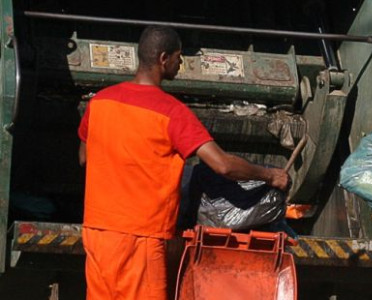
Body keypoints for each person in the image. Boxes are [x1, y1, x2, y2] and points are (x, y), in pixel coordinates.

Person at [77, 25, 289, 300]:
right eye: (179, 57)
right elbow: (223, 165)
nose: (181, 63)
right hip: (140, 237)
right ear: (164, 58)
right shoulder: (172, 112)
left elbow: (85, 157)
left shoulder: (101, 103)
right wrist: (269, 175)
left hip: (97, 232)